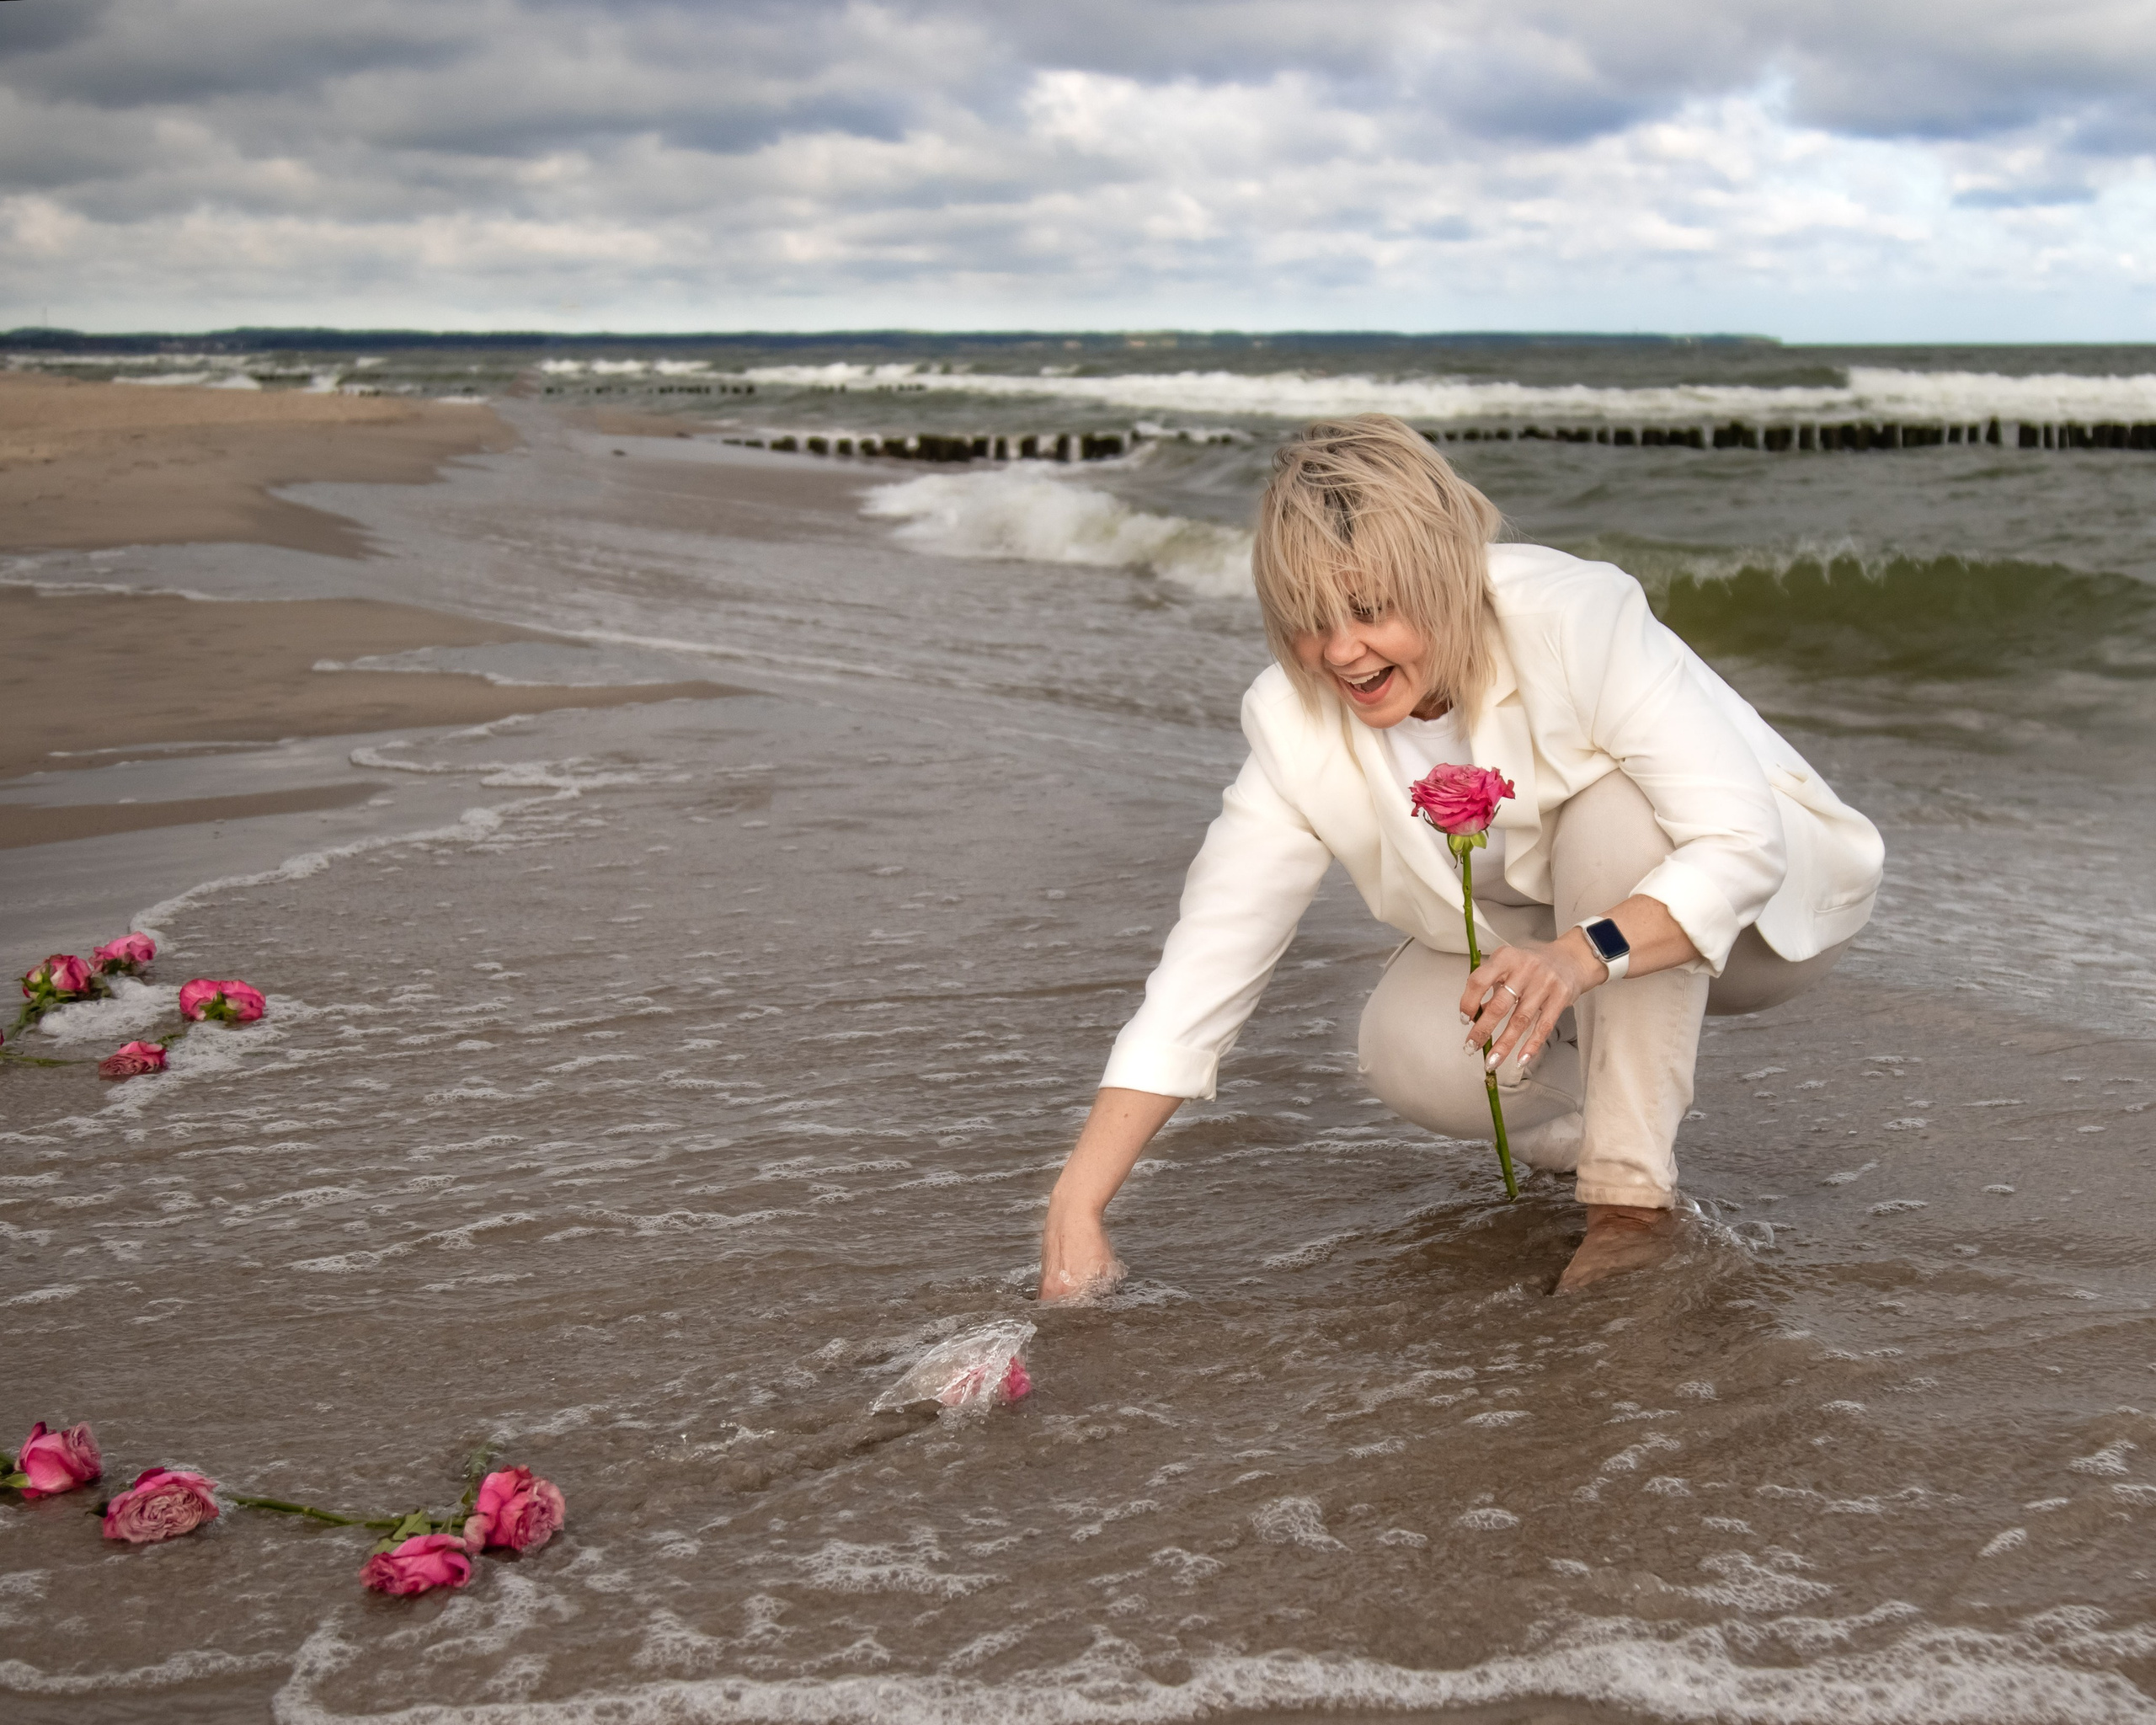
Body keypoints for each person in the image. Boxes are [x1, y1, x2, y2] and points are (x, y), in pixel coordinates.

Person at [1038, 414, 1884, 1300]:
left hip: (1757, 921)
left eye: (1371, 611)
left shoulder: (1576, 616)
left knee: (1614, 809)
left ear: (1442, 577)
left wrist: (1577, 954)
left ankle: (1629, 1205)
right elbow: (1210, 957)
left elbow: (1739, 843)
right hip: (1545, 931)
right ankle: (1604, 1117)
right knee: (1408, 1045)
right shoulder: (1290, 720)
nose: (1341, 651)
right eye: (1310, 621)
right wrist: (1078, 1201)